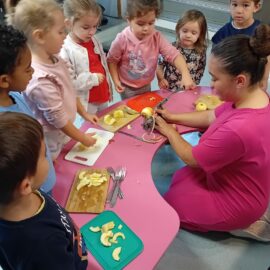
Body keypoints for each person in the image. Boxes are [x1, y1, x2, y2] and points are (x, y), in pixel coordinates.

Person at [154, 24, 270, 232]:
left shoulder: (241, 128)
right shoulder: (253, 97)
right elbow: (210, 115)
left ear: (240, 81)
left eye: (215, 79)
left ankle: (248, 226)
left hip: (239, 201)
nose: (211, 84)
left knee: (171, 204)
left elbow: (192, 158)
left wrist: (170, 131)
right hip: (236, 178)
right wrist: (173, 117)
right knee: (180, 178)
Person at [7, 0, 98, 160]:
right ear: (40, 36)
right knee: (55, 163)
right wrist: (83, 138)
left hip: (65, 131)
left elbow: (69, 89)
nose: (65, 35)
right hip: (51, 138)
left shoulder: (56, 58)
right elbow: (59, 120)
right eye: (61, 31)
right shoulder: (40, 79)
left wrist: (84, 113)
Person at [0, 112, 88, 270]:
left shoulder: (26, 194)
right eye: (44, 155)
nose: (48, 157)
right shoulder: (43, 244)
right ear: (25, 185)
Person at [0, 24, 56, 194]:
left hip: (45, 182)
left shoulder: (15, 95)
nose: (32, 71)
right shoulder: (5, 126)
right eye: (27, 69)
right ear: (4, 80)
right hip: (32, 195)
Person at [107, 0, 195, 100]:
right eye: (140, 24)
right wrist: (115, 80)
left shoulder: (156, 37)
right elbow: (112, 60)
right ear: (129, 20)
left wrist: (185, 73)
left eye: (151, 23)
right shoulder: (122, 39)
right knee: (132, 111)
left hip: (146, 84)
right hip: (127, 87)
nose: (146, 28)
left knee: (144, 107)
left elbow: (174, 55)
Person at [60, 0, 113, 115]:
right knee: (92, 129)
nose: (92, 32)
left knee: (106, 124)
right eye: (86, 27)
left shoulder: (94, 39)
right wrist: (92, 79)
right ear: (69, 24)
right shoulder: (65, 50)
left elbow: (101, 64)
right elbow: (70, 83)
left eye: (95, 26)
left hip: (102, 94)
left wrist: (109, 86)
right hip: (87, 102)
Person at [157, 9, 208, 92]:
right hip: (168, 89)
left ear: (200, 34)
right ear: (178, 29)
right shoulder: (170, 48)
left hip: (188, 90)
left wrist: (195, 82)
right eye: (185, 31)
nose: (188, 35)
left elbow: (200, 70)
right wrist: (161, 79)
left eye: (193, 33)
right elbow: (159, 65)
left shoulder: (201, 51)